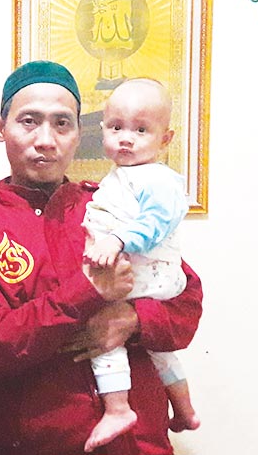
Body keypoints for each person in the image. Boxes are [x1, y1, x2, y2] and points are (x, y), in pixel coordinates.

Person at [0, 60, 203, 455]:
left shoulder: (111, 205)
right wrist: (86, 293)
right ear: (0, 127)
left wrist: (132, 320)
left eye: (62, 124)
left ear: (79, 133)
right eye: (29, 121)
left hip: (139, 443)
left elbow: (186, 302)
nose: (46, 140)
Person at [82, 78, 199, 452]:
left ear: (166, 139)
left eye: (141, 130)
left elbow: (156, 222)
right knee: (161, 353)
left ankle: (117, 408)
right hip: (151, 278)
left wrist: (117, 240)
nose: (126, 139)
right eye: (116, 128)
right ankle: (185, 411)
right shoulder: (125, 176)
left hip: (145, 277)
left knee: (105, 335)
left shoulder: (158, 178)